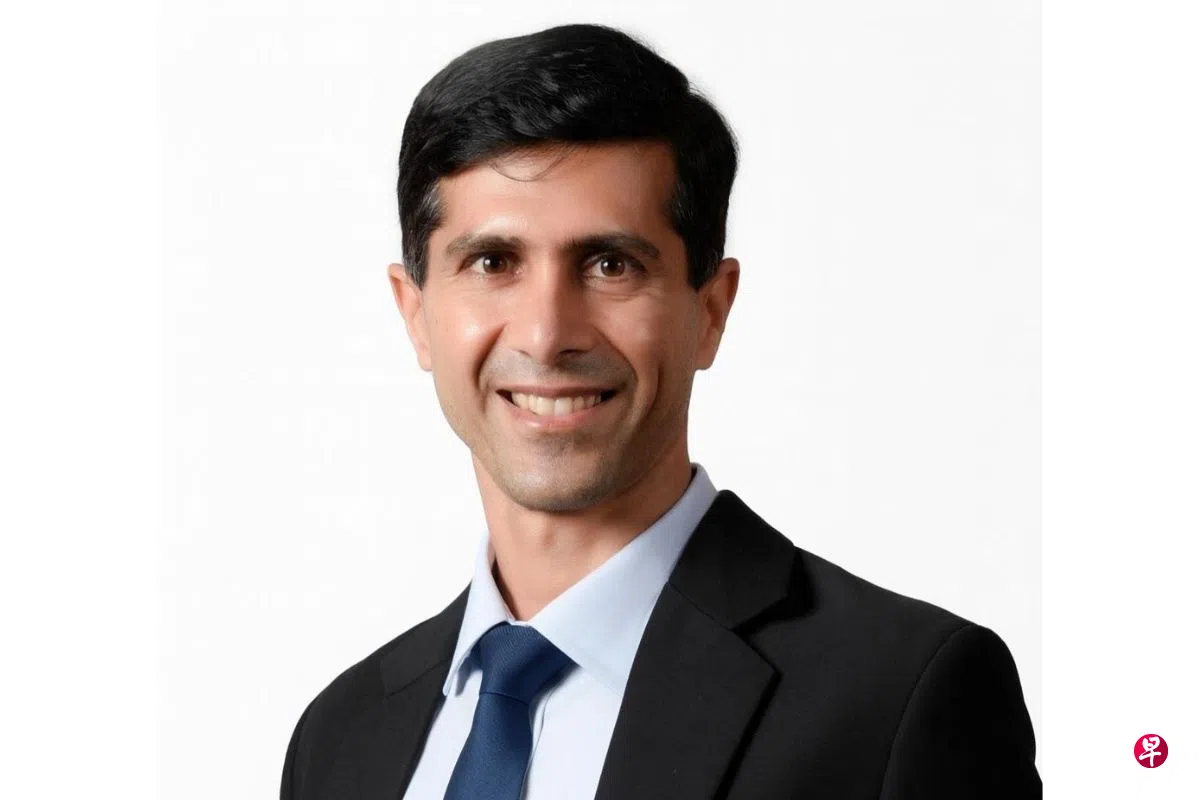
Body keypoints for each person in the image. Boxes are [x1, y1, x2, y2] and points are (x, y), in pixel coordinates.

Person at [279, 23, 1040, 800]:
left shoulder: (899, 699)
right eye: (493, 262)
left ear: (711, 310)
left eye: (610, 264)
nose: (546, 334)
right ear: (415, 314)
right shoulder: (338, 740)